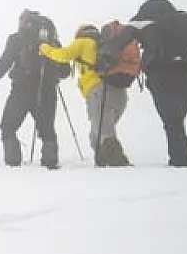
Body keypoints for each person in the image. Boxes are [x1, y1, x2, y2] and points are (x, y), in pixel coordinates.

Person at [107, 0, 187, 167]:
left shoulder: (140, 24)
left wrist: (106, 57)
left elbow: (116, 43)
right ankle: (180, 157)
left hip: (160, 74)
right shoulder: (184, 23)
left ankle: (180, 160)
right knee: (175, 119)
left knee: (171, 120)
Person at [0, 10, 72, 169]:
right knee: (47, 128)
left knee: (8, 125)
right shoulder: (52, 41)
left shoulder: (16, 39)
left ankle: (13, 162)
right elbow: (65, 71)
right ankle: (50, 161)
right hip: (47, 89)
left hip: (21, 89)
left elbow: (4, 64)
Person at [39, 24, 133, 167]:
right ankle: (103, 159)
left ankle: (117, 164)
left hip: (97, 90)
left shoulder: (83, 42)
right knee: (98, 133)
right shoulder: (108, 45)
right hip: (119, 91)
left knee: (104, 132)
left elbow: (63, 55)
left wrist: (44, 48)